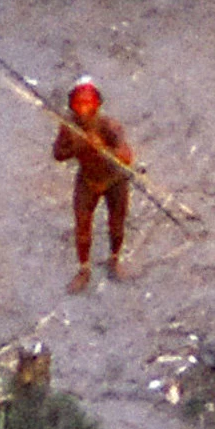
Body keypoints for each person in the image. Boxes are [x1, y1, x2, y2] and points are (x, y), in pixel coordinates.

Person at [52, 78, 134, 293]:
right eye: (79, 104)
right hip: (88, 180)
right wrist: (77, 147)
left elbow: (126, 156)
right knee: (82, 227)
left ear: (97, 104)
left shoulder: (109, 125)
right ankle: (84, 268)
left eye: (89, 104)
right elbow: (58, 154)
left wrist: (102, 148)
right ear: (72, 106)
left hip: (115, 180)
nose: (84, 109)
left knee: (116, 223)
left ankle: (114, 259)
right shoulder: (69, 127)